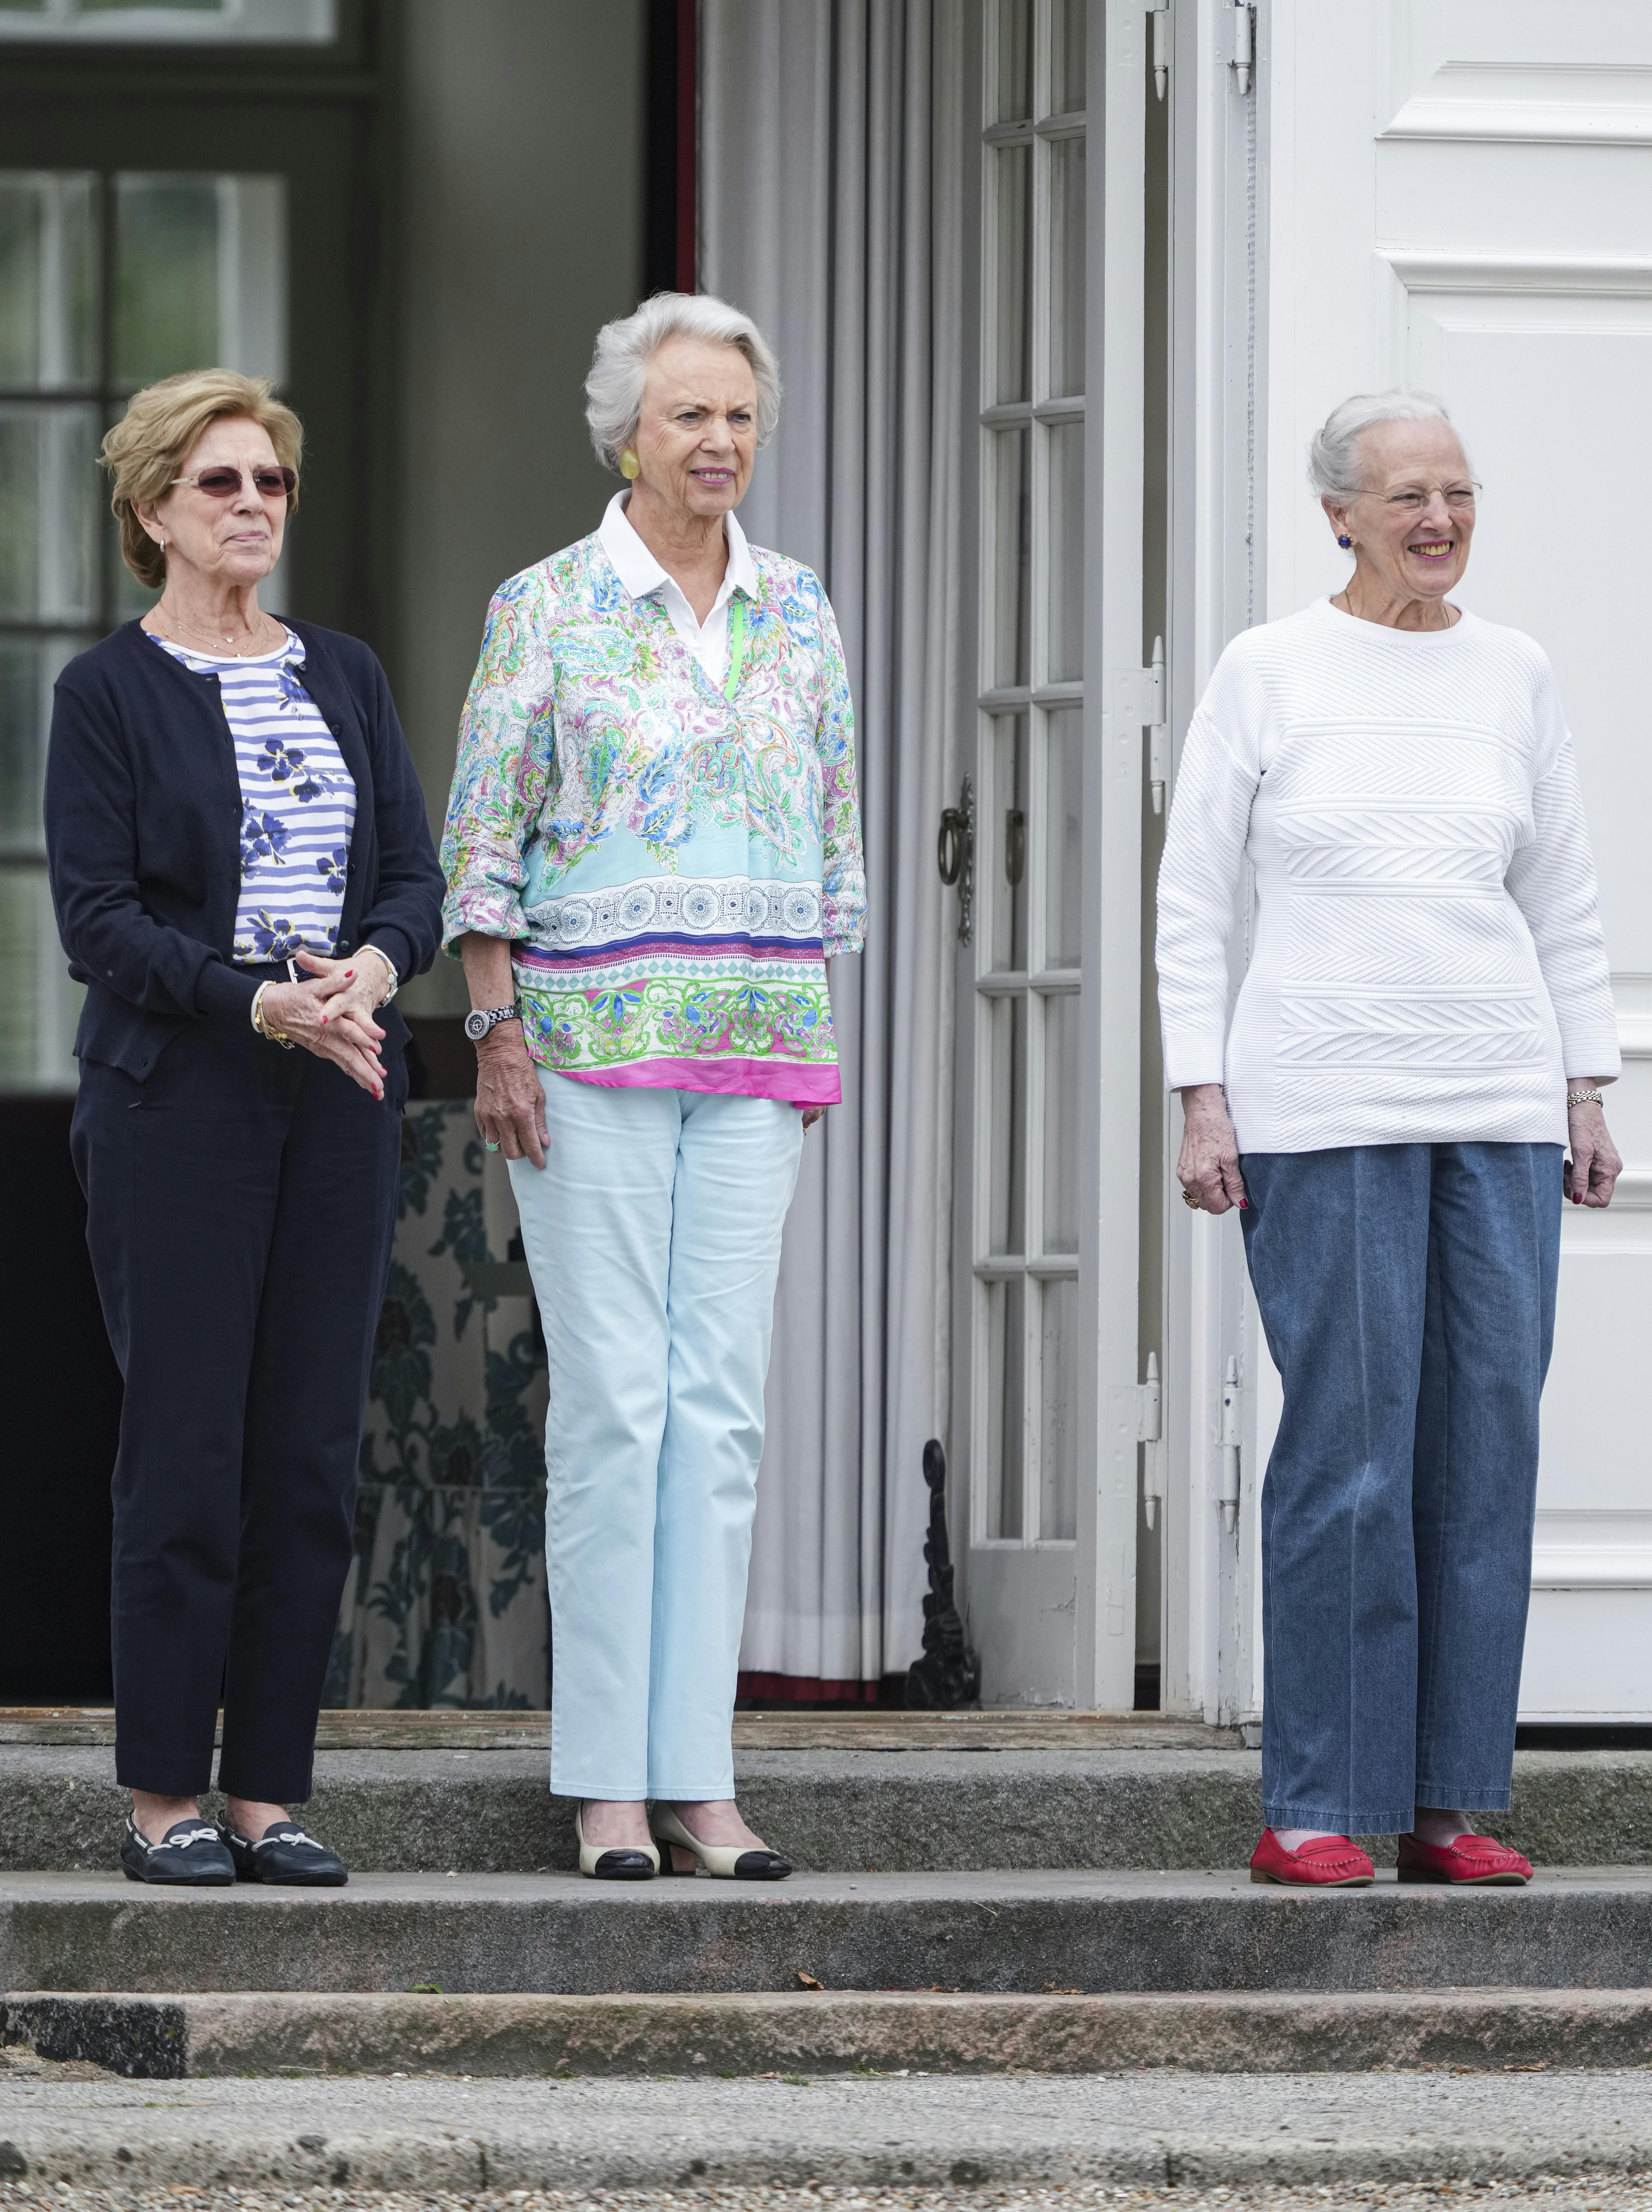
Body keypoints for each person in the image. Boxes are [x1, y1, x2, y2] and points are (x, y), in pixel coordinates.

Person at [1156, 389, 1621, 1889]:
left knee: (1482, 1451)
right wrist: (1198, 1090)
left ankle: (1446, 1800)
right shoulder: (1267, 670)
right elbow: (1192, 898)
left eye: (1459, 494)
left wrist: (1585, 1083)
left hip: (1493, 1105)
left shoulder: (1514, 673)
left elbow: (1559, 889)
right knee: (1347, 1458)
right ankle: (1313, 1800)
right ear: (1336, 515)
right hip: (1320, 1110)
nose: (1438, 521)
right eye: (1406, 497)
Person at [441, 292, 865, 1880]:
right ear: (629, 427)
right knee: (617, 1410)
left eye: (740, 417)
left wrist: (810, 1021)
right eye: (690, 415)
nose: (719, 444)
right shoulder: (546, 605)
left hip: (754, 1045)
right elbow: (484, 827)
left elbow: (830, 833)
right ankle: (605, 1787)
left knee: (723, 1413)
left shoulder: (799, 606)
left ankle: (699, 1779)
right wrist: (495, 1022)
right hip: (586, 1049)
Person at [46, 369, 444, 1887]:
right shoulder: (106, 695)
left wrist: (376, 966)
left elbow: (411, 871)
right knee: (189, 1450)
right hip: (182, 1100)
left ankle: (270, 1791)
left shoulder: (341, 672)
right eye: (220, 484)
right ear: (153, 511)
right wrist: (251, 1000)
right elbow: (99, 923)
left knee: (306, 1457)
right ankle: (163, 1795)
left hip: (338, 1091)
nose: (253, 507)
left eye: (269, 483)